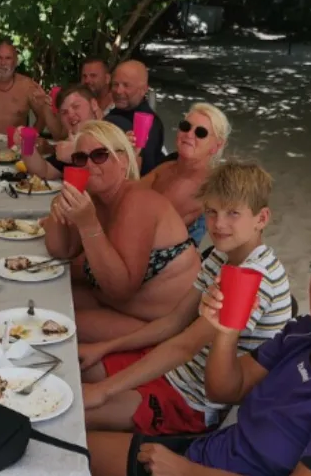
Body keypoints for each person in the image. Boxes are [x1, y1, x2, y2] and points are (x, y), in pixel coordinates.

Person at [3, 225, 311, 476]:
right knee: (46, 454)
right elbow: (224, 389)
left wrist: (186, 474)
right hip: (209, 457)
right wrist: (225, 329)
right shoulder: (305, 334)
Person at [79, 162, 291, 435]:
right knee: (77, 369)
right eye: (211, 212)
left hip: (193, 401)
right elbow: (174, 321)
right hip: (174, 369)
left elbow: (185, 346)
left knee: (77, 412)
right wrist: (105, 347)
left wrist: (103, 391)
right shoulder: (222, 254)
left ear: (261, 218)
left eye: (233, 213)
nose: (219, 224)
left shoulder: (254, 279)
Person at [43, 120, 199, 343]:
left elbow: (120, 289)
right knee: (44, 300)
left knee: (56, 327)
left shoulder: (137, 202)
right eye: (80, 158)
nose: (89, 165)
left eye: (99, 155)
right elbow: (61, 250)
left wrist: (88, 225)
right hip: (117, 305)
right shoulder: (96, 200)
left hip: (161, 325)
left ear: (124, 161)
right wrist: (57, 208)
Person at [140, 103, 231, 246]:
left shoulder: (204, 189)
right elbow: (127, 193)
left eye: (200, 133)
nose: (189, 134)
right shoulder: (167, 167)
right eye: (185, 126)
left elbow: (148, 230)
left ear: (216, 146)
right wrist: (133, 153)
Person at [21, 85, 103, 181]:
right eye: (64, 112)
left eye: (76, 106)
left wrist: (77, 152)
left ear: (93, 104)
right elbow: (44, 172)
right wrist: (26, 142)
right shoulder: (72, 140)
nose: (70, 115)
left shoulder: (114, 125)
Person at [104, 60, 165, 176]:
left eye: (126, 85)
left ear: (143, 90)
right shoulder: (118, 111)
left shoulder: (146, 124)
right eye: (115, 84)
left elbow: (143, 172)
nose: (118, 91)